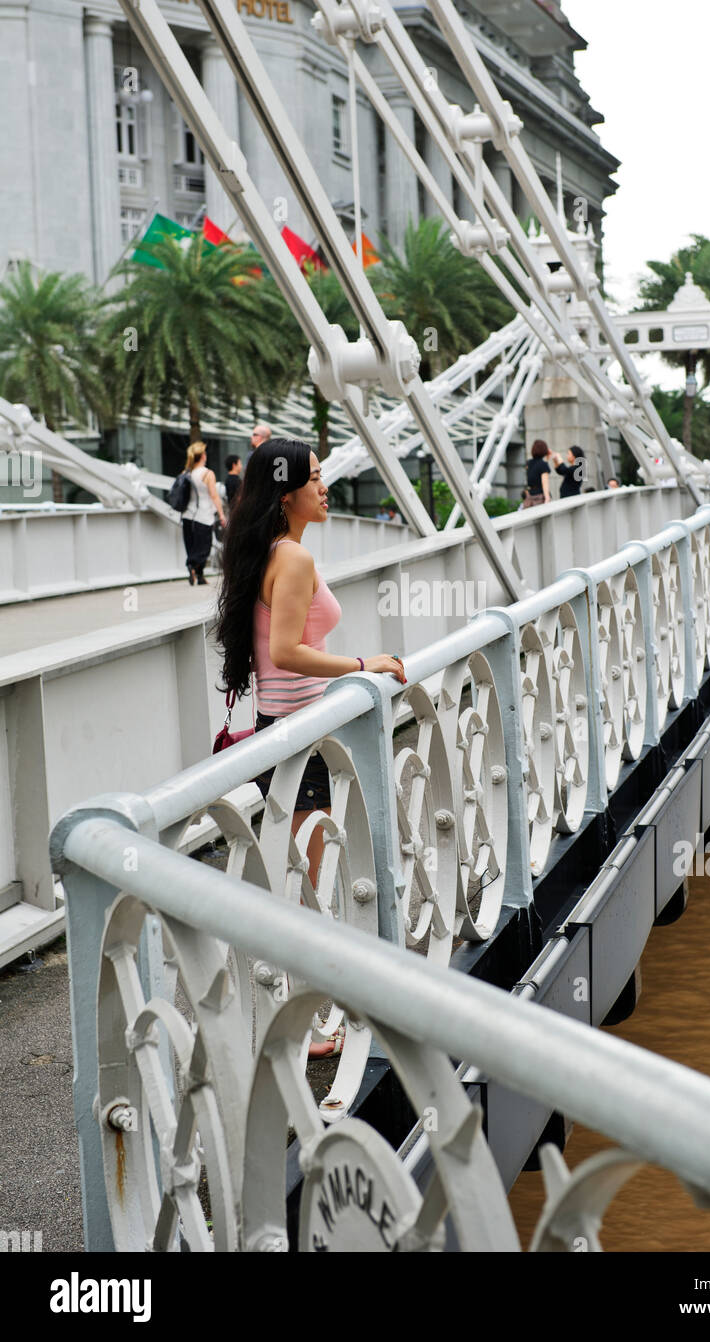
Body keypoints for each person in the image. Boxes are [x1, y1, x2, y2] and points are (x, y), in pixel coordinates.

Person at [214, 439, 406, 1055]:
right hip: (300, 741)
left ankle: (306, 1018)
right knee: (307, 884)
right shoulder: (292, 558)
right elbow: (286, 652)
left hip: (283, 731)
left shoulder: (268, 552)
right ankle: (301, 1027)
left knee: (303, 877)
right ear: (286, 492)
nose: (326, 488)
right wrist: (363, 665)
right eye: (315, 478)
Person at [181, 442, 226, 586]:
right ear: (202, 456)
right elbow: (214, 495)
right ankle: (193, 566)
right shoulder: (207, 473)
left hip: (187, 515)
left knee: (192, 545)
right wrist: (221, 514)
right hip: (203, 515)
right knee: (204, 547)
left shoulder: (186, 472)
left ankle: (199, 575)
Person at [522, 439, 553, 508]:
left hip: (529, 496)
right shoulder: (543, 465)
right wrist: (547, 498)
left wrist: (547, 459)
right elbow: (544, 483)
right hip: (539, 497)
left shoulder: (528, 463)